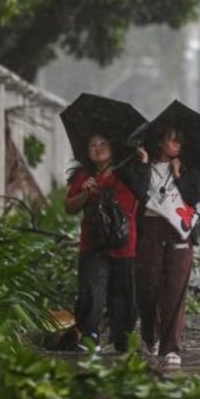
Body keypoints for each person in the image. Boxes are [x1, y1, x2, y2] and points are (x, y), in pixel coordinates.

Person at [133, 125, 200, 367]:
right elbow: (138, 192)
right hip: (149, 231)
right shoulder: (142, 166)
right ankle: (150, 335)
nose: (177, 146)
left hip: (179, 233)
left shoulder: (187, 170)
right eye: (173, 141)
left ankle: (171, 346)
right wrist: (143, 165)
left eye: (180, 142)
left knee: (175, 289)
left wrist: (178, 177)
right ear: (160, 142)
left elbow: (197, 201)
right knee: (148, 287)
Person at [63, 134, 141, 352]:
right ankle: (90, 337)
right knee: (91, 294)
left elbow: (135, 200)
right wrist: (86, 193)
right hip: (93, 245)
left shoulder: (128, 173)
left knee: (123, 297)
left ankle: (122, 340)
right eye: (92, 144)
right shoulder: (83, 176)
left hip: (124, 245)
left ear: (113, 148)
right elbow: (69, 207)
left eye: (103, 144)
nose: (97, 148)